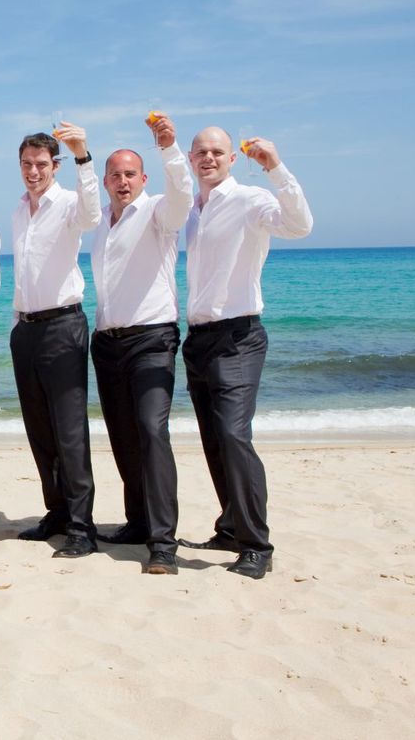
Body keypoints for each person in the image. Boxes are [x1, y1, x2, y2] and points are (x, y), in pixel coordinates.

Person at [176, 126, 312, 579]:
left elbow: (299, 225)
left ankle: (257, 545)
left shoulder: (251, 199)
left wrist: (275, 168)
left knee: (235, 436)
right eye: (202, 152)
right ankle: (231, 526)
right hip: (198, 338)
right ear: (192, 158)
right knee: (215, 440)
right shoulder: (194, 210)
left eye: (217, 152)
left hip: (239, 337)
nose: (209, 158)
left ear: (233, 158)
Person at [89, 115, 193, 575]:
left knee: (152, 432)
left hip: (152, 338)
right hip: (108, 342)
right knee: (124, 437)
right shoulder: (101, 225)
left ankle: (163, 543)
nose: (123, 181)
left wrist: (170, 149)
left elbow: (182, 198)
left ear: (143, 178)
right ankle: (138, 521)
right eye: (115, 174)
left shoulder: (158, 213)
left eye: (130, 174)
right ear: (105, 181)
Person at [10, 123, 101, 559]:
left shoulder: (68, 204)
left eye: (41, 164)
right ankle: (58, 512)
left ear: (55, 166)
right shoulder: (17, 212)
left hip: (64, 325)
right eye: (27, 164)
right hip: (25, 329)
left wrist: (83, 156)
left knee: (69, 430)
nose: (33, 171)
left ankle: (82, 527)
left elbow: (93, 215)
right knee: (39, 430)